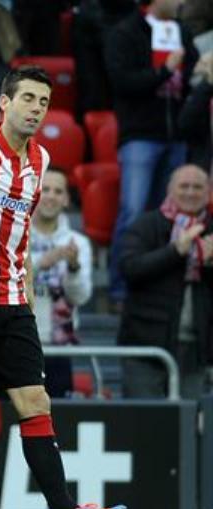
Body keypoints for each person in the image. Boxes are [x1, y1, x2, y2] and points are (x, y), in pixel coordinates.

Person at [0, 66, 128, 509]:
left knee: (34, 401)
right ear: (4, 103)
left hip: (12, 303)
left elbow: (20, 233)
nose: (36, 109)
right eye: (27, 98)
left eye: (44, 102)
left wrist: (26, 286)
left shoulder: (41, 158)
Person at [106, 0, 198, 304]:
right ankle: (119, 290)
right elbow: (122, 81)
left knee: (170, 214)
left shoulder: (182, 31)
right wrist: (163, 71)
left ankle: (159, 287)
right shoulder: (125, 32)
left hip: (176, 135)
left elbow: (190, 76)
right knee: (133, 211)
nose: (181, 2)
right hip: (140, 134)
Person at [118, 164, 213, 398]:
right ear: (170, 190)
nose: (190, 192)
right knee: (145, 419)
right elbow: (129, 269)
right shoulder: (146, 224)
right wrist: (175, 251)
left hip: (198, 349)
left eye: (197, 187)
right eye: (184, 186)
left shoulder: (210, 228)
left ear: (208, 192)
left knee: (191, 419)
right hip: (146, 346)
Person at [30, 168, 93, 398]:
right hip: (16, 344)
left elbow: (81, 297)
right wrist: (41, 263)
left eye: (58, 191)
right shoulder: (14, 235)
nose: (50, 196)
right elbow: (2, 282)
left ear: (66, 199)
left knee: (55, 416)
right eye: (45, 189)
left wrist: (74, 268)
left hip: (58, 349)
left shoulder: (78, 243)